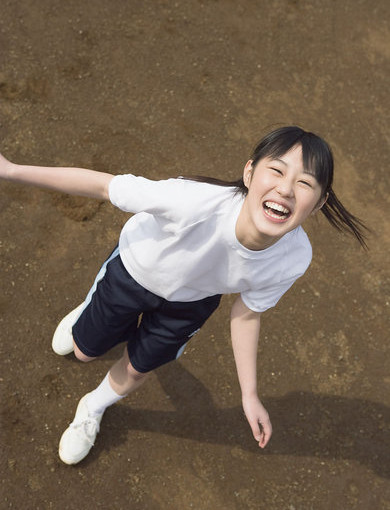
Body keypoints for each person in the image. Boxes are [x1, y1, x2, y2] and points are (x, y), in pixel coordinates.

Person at [0, 126, 367, 465]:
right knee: (84, 351)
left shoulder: (294, 257)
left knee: (138, 367)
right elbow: (104, 186)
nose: (286, 189)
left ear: (319, 203)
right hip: (133, 273)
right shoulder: (190, 201)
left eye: (305, 183)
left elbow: (247, 312)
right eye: (277, 171)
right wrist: (11, 170)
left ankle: (92, 407)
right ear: (249, 173)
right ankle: (92, 304)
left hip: (192, 302)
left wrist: (249, 394)